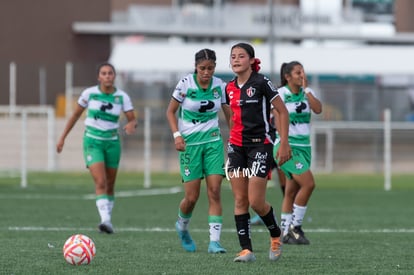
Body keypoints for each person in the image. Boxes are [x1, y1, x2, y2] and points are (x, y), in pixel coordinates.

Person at [225, 42, 291, 262]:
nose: (235, 60)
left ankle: (275, 234)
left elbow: (282, 112)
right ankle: (246, 250)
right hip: (236, 148)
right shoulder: (229, 88)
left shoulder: (262, 83)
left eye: (241, 56)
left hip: (259, 146)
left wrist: (283, 143)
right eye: (233, 56)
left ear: (252, 60)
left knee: (256, 202)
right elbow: (231, 118)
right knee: (240, 199)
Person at [56, 62, 137, 234]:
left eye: (110, 73)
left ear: (114, 76)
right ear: (98, 77)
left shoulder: (122, 97)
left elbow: (132, 118)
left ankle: (107, 219)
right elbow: (75, 115)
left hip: (113, 143)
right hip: (92, 142)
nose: (107, 76)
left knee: (110, 184)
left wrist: (131, 125)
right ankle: (105, 221)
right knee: (100, 181)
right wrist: (62, 138)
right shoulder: (89, 94)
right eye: (104, 73)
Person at [166, 49, 232, 253]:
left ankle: (214, 242)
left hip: (212, 142)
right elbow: (170, 111)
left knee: (214, 191)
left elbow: (229, 116)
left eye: (210, 68)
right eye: (202, 68)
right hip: (189, 145)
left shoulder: (220, 86)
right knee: (192, 198)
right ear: (196, 67)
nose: (206, 72)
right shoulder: (185, 84)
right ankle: (182, 227)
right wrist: (177, 135)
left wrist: (234, 142)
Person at [274, 61, 322, 245]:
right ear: (287, 77)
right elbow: (278, 119)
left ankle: (284, 232)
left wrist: (307, 90)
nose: (302, 74)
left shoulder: (307, 93)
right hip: (287, 146)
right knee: (309, 184)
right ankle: (296, 227)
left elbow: (318, 109)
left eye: (303, 71)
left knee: (291, 190)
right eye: (297, 72)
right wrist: (284, 144)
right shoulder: (281, 94)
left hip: (304, 147)